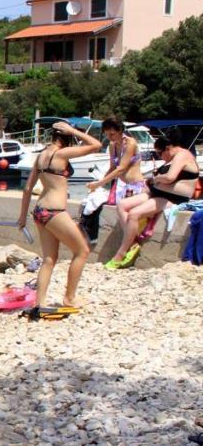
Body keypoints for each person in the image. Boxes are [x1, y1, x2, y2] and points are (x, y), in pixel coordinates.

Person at [16, 121, 100, 314]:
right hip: (54, 211)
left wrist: (22, 217)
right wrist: (74, 131)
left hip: (39, 211)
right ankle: (69, 297)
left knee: (49, 259)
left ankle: (39, 303)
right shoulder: (61, 154)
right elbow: (96, 145)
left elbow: (28, 188)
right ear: (66, 137)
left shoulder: (41, 155)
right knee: (82, 251)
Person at [107, 132, 200, 268]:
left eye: (159, 153)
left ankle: (121, 253)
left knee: (134, 214)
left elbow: (170, 178)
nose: (160, 157)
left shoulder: (182, 155)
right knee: (122, 205)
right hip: (156, 193)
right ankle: (132, 243)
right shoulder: (173, 158)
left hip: (172, 197)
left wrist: (155, 179)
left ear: (168, 148)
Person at [87, 117, 146, 204]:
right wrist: (99, 185)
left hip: (134, 185)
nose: (109, 137)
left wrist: (99, 183)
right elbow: (112, 168)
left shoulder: (130, 143)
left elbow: (121, 168)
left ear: (120, 131)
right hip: (120, 186)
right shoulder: (112, 145)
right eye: (106, 134)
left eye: (112, 134)